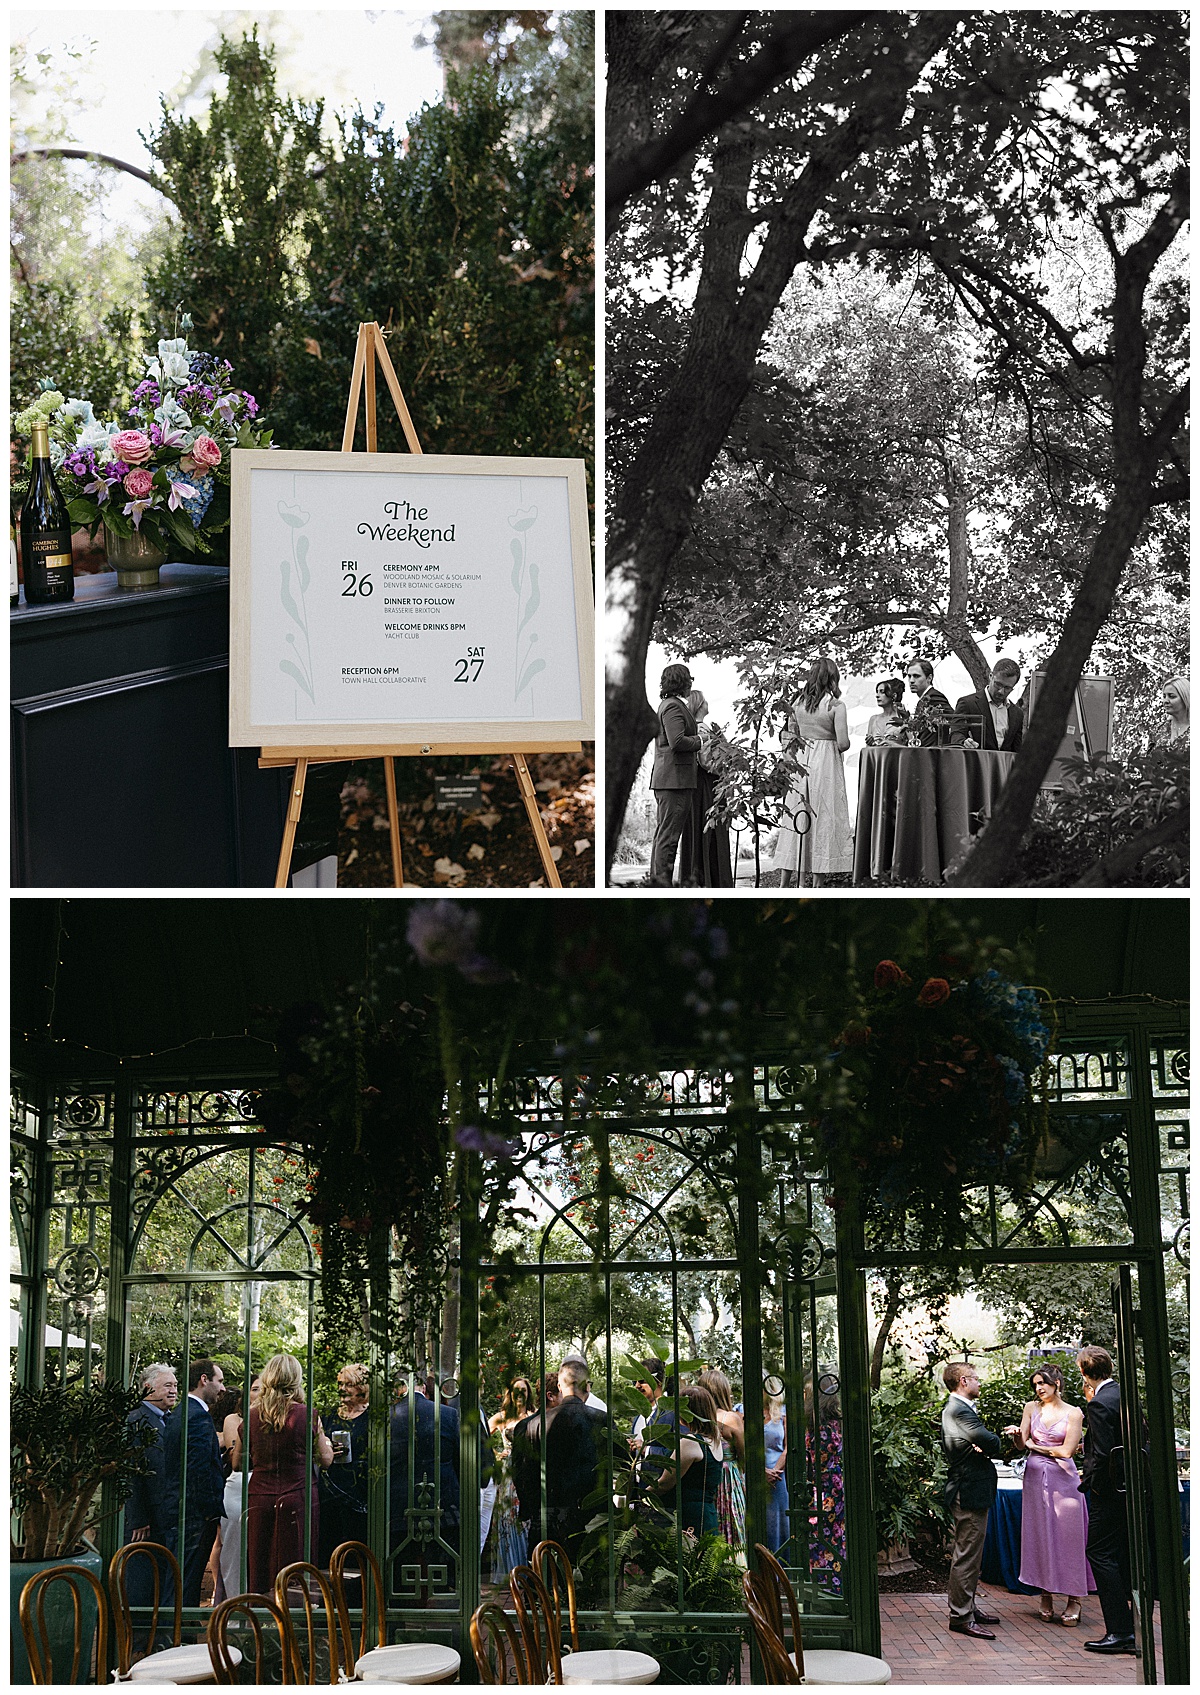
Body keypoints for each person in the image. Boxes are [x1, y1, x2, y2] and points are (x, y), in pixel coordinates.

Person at [1002, 1363, 1089, 1624]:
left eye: (1043, 1383)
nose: (1039, 1388)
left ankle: (1075, 1599)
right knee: (1040, 1534)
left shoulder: (1074, 1413)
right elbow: (1022, 1445)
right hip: (1034, 1479)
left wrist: (1034, 1446)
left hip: (1064, 1479)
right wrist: (1018, 1437)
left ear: (1057, 1384)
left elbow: (1066, 1451)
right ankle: (1045, 1593)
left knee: (1069, 1536)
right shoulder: (1030, 1408)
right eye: (1036, 1384)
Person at [245, 1353, 332, 1595]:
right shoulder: (307, 1414)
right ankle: (295, 1622)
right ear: (296, 1380)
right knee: (296, 1562)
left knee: (260, 1562)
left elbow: (238, 1461)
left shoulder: (251, 1416)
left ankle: (261, 1618)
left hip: (259, 1497)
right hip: (297, 1494)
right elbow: (325, 1460)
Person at [511, 1358, 613, 1563]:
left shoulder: (532, 1425)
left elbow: (521, 1473)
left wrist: (532, 1509)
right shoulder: (603, 1420)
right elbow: (615, 1466)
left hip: (547, 1515)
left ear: (559, 1385)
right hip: (592, 1518)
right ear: (587, 1386)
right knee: (592, 1582)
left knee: (545, 1585)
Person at [773, 656, 853, 887]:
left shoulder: (796, 702)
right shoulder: (836, 706)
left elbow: (789, 734)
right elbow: (843, 743)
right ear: (833, 678)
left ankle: (785, 882)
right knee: (824, 817)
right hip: (825, 761)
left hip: (800, 759)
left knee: (796, 815)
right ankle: (816, 882)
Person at [1076, 1345, 1136, 1655]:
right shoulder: (1123, 1395)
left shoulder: (1099, 1403)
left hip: (1109, 1492)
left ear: (1085, 1372)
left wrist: (1089, 1486)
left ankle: (1121, 1631)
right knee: (1120, 1553)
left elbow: (1100, 1453)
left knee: (1097, 1552)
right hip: (1130, 1489)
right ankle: (1131, 1625)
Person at [940, 1361, 1002, 1639]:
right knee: (966, 1555)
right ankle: (961, 1616)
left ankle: (969, 1607)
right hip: (969, 1491)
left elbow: (982, 1444)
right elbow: (991, 1443)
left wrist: (982, 1446)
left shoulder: (961, 1410)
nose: (979, 1382)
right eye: (976, 1378)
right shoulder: (959, 1411)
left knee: (971, 1555)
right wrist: (991, 1443)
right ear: (963, 1381)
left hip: (972, 1488)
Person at [162, 1358, 228, 1608]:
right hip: (194, 1515)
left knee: (179, 1579)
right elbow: (199, 1471)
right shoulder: (197, 1417)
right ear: (204, 1380)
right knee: (186, 1582)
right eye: (219, 1381)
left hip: (182, 1510)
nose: (223, 1388)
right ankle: (179, 1639)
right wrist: (210, 1511)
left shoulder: (181, 1412)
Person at [389, 1377, 462, 1581]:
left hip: (399, 1507)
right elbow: (459, 1461)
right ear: (422, 1387)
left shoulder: (387, 1417)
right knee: (442, 1570)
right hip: (443, 1503)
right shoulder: (447, 1414)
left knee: (401, 1571)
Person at [124, 1364, 178, 1631]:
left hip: (164, 1514)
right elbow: (131, 1472)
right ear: (148, 1388)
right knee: (141, 1580)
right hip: (145, 1520)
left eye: (176, 1385)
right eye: (168, 1385)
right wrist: (138, 1518)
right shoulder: (136, 1419)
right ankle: (137, 1642)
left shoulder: (169, 1419)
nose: (174, 1390)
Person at [648, 663, 702, 886]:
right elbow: (676, 742)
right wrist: (701, 741)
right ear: (682, 682)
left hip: (672, 780)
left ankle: (657, 883)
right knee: (668, 839)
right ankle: (662, 885)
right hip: (674, 781)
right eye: (689, 678)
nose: (691, 683)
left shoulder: (671, 705)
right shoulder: (672, 707)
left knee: (664, 835)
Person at [678, 690, 735, 888]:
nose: (708, 702)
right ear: (700, 704)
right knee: (710, 832)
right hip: (708, 786)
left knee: (699, 832)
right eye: (705, 700)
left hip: (700, 785)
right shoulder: (701, 729)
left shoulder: (698, 728)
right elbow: (708, 762)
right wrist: (726, 765)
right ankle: (713, 880)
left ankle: (699, 877)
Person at [317, 1363, 370, 1568]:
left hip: (360, 1491)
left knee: (358, 1551)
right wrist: (327, 1447)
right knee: (330, 1549)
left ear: (362, 1387)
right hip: (331, 1490)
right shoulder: (329, 1416)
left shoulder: (372, 1417)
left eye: (348, 1384)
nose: (342, 1389)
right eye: (340, 1384)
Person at [654, 1384, 725, 1535]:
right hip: (708, 1515)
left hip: (689, 1520)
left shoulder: (691, 1442)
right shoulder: (714, 1439)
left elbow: (666, 1483)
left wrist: (640, 1497)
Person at [218, 1375, 261, 1603]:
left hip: (270, 1486)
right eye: (254, 1389)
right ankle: (234, 1608)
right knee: (233, 1550)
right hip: (240, 1485)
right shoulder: (234, 1419)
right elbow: (239, 1458)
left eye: (264, 1389)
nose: (259, 1393)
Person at [487, 1377, 533, 1581]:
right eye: (516, 1390)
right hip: (507, 1475)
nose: (520, 1394)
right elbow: (480, 1438)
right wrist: (496, 1454)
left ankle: (526, 1568)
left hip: (526, 1471)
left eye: (524, 1390)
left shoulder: (534, 1416)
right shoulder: (501, 1417)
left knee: (525, 1520)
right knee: (507, 1519)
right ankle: (510, 1570)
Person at [697, 1369, 746, 1549]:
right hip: (729, 1479)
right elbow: (743, 1455)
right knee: (733, 1525)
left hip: (706, 1478)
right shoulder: (731, 1418)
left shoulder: (698, 1420)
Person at [805, 1371, 844, 1593]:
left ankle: (823, 1587)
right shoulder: (835, 1424)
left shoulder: (816, 1426)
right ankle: (833, 1587)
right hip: (834, 1486)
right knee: (833, 1537)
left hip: (823, 1487)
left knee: (822, 1538)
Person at [953, 658, 1025, 752]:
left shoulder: (1017, 714)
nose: (1001, 691)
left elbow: (1016, 750)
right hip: (975, 763)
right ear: (991, 676)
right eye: (998, 684)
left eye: (1007, 688)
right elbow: (956, 734)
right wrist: (963, 742)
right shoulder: (967, 704)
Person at [905, 658, 954, 746]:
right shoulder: (925, 697)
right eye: (909, 676)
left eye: (916, 676)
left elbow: (955, 719)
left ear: (929, 678)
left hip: (934, 754)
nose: (911, 680)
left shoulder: (934, 697)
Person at [763, 1388, 789, 1555]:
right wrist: (760, 1471)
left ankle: (780, 1574)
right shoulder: (742, 1410)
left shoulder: (782, 1413)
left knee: (778, 1526)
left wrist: (774, 1472)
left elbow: (788, 1447)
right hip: (753, 1475)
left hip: (777, 1478)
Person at [865, 678, 910, 745]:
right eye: (877, 692)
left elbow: (914, 748)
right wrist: (871, 743)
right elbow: (868, 750)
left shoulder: (904, 718)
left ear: (894, 696)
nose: (877, 695)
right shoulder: (873, 719)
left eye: (882, 692)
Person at [1163, 676, 1189, 746]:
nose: (1166, 701)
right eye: (1164, 696)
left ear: (1185, 698)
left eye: (1171, 696)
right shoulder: (1159, 729)